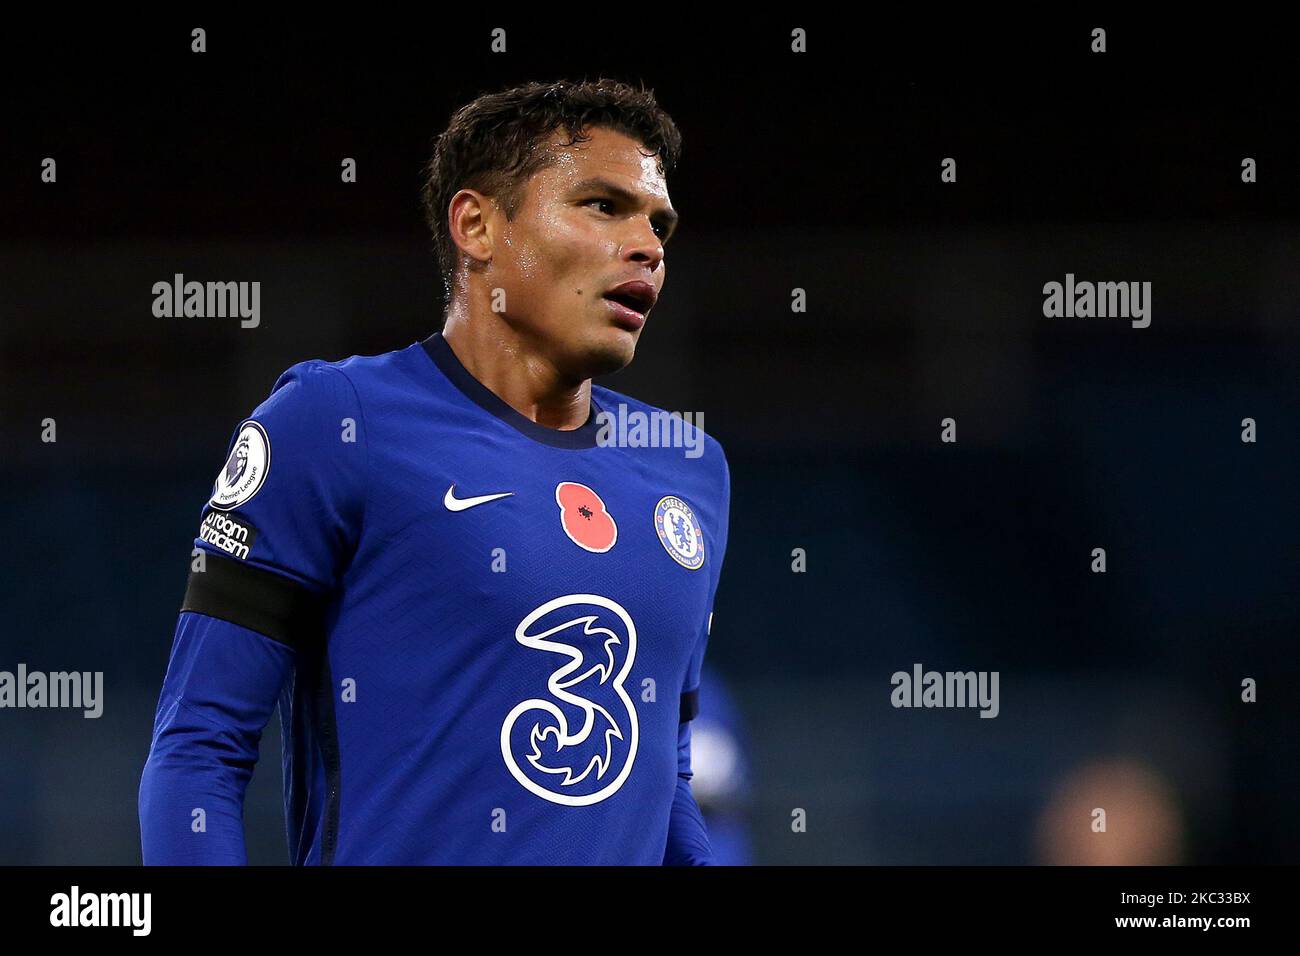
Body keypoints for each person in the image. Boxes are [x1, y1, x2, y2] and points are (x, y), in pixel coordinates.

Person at [138, 78, 731, 865]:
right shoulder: (335, 421)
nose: (649, 246)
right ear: (478, 225)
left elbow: (666, 785)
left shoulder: (690, 470)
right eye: (602, 205)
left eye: (660, 223)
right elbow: (198, 752)